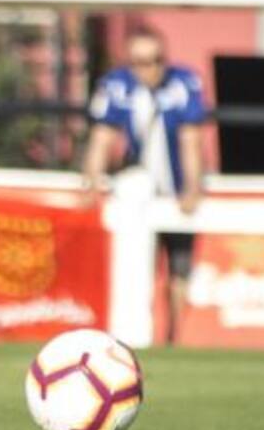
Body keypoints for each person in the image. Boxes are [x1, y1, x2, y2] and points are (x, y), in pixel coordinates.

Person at [83, 28, 206, 345]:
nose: (149, 68)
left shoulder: (183, 83)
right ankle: (139, 334)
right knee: (138, 268)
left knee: (179, 269)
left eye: (155, 60)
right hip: (137, 195)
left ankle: (174, 338)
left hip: (175, 192)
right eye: (140, 61)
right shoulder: (116, 86)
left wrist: (192, 188)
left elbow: (192, 141)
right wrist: (92, 178)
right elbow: (102, 137)